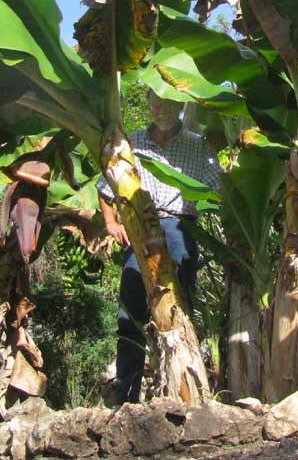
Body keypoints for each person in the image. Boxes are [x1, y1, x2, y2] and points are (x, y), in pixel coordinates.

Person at [97, 90, 222, 405]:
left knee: (180, 308)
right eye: (154, 103)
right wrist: (111, 222)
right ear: (149, 105)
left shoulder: (197, 145)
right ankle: (126, 396)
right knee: (131, 311)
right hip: (139, 225)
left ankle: (184, 393)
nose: (161, 109)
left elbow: (221, 189)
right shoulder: (133, 142)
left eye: (168, 103)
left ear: (180, 105)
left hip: (180, 227)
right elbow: (105, 185)